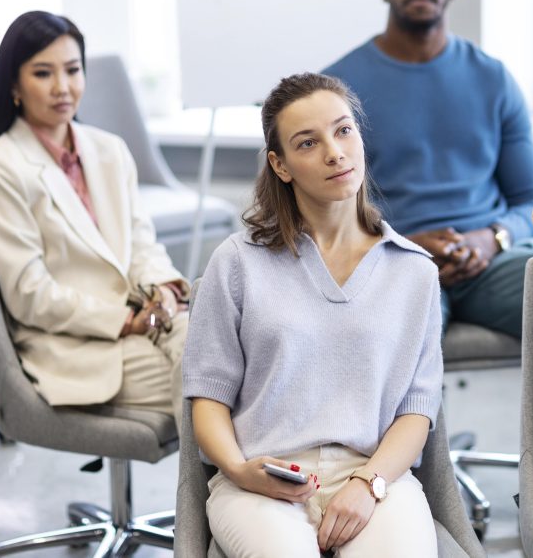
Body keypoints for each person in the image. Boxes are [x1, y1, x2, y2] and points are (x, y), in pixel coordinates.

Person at [183, 73, 443, 557]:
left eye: (344, 131)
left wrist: (370, 483)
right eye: (309, 142)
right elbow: (208, 399)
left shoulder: (414, 272)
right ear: (280, 165)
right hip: (263, 481)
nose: (334, 152)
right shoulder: (237, 262)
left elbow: (417, 410)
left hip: (373, 477)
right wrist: (240, 472)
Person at [323, 0, 533, 338]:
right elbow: (320, 214)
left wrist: (490, 238)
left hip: (488, 261)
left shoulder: (492, 78)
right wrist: (400, 246)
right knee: (401, 335)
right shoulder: (336, 89)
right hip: (390, 260)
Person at [0, 11, 189, 420]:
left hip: (148, 319)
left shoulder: (110, 150)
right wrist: (125, 321)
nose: (63, 87)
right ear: (14, 84)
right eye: (43, 73)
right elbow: (29, 294)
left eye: (73, 70)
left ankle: (229, 485)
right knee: (212, 388)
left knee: (228, 358)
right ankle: (215, 488)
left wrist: (164, 291)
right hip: (77, 346)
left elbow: (142, 244)